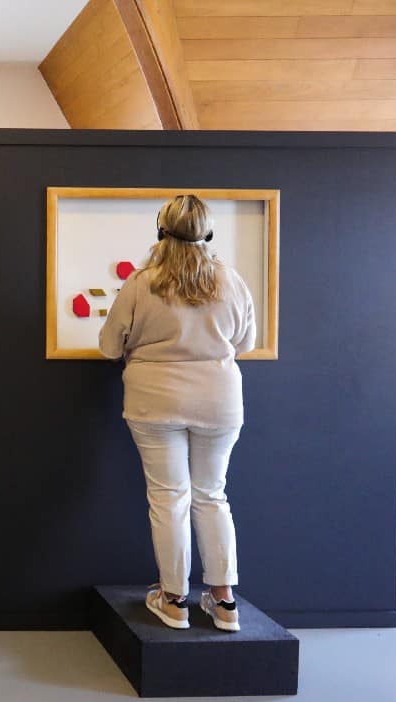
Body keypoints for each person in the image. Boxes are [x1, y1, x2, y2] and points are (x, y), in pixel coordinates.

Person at [98, 195, 255, 632]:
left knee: (169, 498)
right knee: (212, 495)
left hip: (155, 402)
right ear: (209, 232)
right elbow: (245, 343)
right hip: (219, 401)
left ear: (160, 230)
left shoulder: (140, 283)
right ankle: (225, 603)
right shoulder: (231, 280)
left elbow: (109, 346)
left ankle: (173, 600)